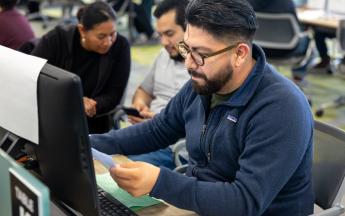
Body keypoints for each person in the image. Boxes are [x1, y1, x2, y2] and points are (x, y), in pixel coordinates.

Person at [90, 0, 314, 215]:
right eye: (186, 48)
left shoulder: (280, 108)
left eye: (201, 54)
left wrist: (159, 182)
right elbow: (157, 130)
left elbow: (244, 202)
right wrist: (84, 141)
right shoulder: (204, 82)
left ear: (239, 54)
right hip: (202, 206)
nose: (188, 63)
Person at [32, 1, 130, 134]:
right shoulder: (58, 39)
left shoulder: (120, 46)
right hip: (51, 113)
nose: (108, 42)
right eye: (101, 36)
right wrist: (75, 101)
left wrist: (92, 105)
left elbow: (114, 95)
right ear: (82, 30)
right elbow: (32, 76)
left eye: (112, 34)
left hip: (93, 123)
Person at [125, 0, 190, 169]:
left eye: (169, 34)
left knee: (120, 169)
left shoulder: (205, 70)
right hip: (147, 135)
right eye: (160, 35)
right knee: (96, 152)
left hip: (174, 148)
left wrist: (159, 123)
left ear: (190, 29)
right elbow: (143, 91)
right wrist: (139, 105)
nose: (164, 42)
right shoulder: (164, 55)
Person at [247, 0, 312, 81]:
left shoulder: (247, 3)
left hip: (255, 50)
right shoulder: (287, 3)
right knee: (310, 41)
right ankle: (298, 79)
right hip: (287, 52)